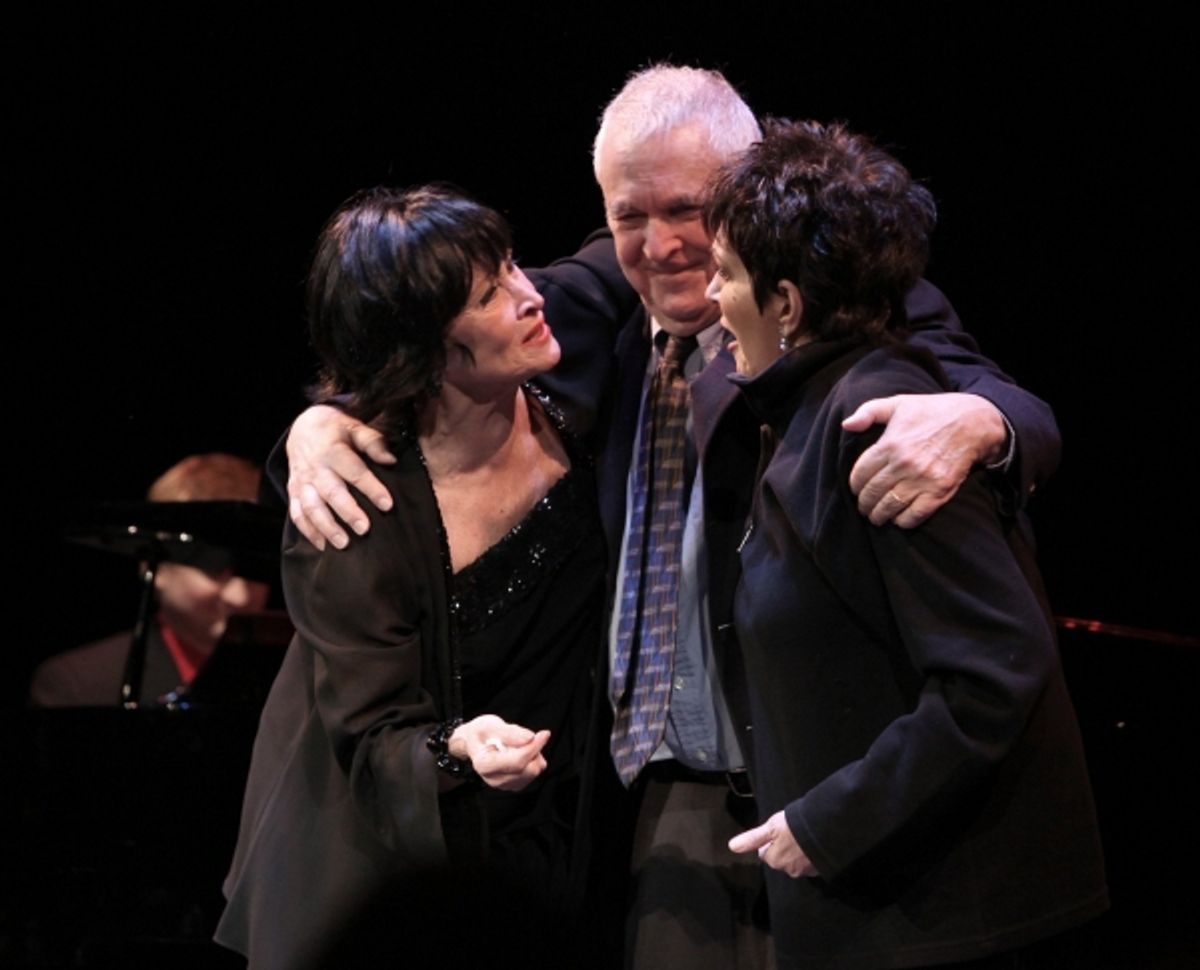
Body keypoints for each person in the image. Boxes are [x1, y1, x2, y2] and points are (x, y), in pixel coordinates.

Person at [275, 66, 1063, 969]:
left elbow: (992, 389)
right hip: (655, 813)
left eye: (689, 211)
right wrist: (317, 422)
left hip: (819, 782)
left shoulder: (835, 302)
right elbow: (406, 340)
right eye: (626, 218)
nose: (659, 246)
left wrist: (988, 420)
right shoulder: (580, 311)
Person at [702, 119, 1107, 969]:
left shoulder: (878, 423)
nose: (709, 294)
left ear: (786, 302)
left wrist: (828, 821)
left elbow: (993, 668)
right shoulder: (804, 411)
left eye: (726, 273)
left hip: (944, 925)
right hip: (884, 917)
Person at [214, 186, 607, 970]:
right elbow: (374, 736)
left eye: (511, 268)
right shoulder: (357, 508)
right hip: (386, 870)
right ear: (423, 350)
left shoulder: (567, 370)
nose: (533, 296)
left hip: (544, 842)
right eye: (493, 295)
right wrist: (457, 747)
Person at [28, 452, 273, 707]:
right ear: (155, 565)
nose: (241, 596)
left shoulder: (300, 676)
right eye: (212, 568)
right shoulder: (80, 687)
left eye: (253, 568)